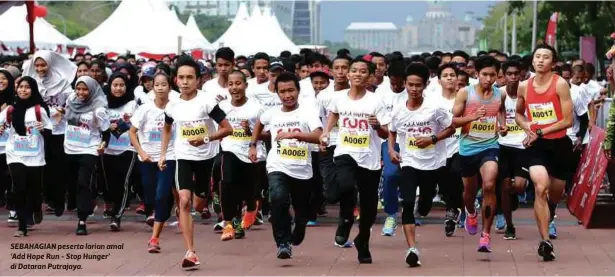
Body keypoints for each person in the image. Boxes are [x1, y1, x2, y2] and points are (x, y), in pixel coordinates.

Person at [160, 56, 232, 270]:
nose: (185, 82)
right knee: (183, 201)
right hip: (182, 156)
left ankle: (205, 198)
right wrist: (164, 153)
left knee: (199, 204)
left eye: (190, 77)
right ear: (175, 80)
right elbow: (166, 127)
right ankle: (190, 251)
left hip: (206, 158)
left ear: (198, 80)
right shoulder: (172, 105)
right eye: (181, 77)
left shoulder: (207, 102)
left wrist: (205, 138)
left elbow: (228, 129)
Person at [320, 58, 389, 264]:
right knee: (345, 185)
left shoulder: (376, 101)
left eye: (362, 72)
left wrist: (377, 127)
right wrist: (325, 133)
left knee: (368, 208)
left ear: (369, 77)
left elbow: (386, 133)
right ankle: (346, 219)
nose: (357, 74)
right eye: (354, 71)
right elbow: (333, 116)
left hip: (369, 158)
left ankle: (363, 241)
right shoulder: (339, 98)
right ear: (348, 75)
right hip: (345, 152)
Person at [248, 72, 322, 259]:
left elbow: (318, 135)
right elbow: (259, 123)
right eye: (283, 92)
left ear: (298, 90)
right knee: (278, 199)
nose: (287, 95)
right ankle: (282, 242)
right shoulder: (271, 113)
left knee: (301, 209)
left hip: (302, 169)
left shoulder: (307, 112)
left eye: (291, 90)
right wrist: (253, 144)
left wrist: (294, 135)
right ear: (277, 93)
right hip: (277, 165)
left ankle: (300, 224)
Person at [388, 63, 455, 266]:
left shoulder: (434, 108)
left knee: (424, 205)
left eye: (418, 85)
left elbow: (451, 128)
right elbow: (392, 131)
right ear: (405, 84)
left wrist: (432, 139)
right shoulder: (399, 109)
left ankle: (425, 203)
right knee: (407, 203)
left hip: (432, 164)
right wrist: (392, 150)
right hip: (408, 162)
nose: (414, 89)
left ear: (425, 85)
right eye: (410, 85)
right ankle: (412, 248)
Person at [515, 44, 573, 261]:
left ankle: (551, 211)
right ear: (532, 61)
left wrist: (540, 130)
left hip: (559, 145)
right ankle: (545, 241)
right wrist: (527, 127)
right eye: (537, 56)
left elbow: (567, 120)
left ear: (553, 62)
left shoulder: (560, 84)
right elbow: (519, 113)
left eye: (545, 57)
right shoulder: (524, 86)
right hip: (537, 146)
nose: (540, 60)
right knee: (541, 187)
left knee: (556, 192)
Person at [452, 55, 507, 253]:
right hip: (468, 148)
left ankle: (486, 235)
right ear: (477, 74)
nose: (488, 79)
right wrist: (472, 117)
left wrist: (502, 125)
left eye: (493, 75)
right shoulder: (465, 93)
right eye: (484, 74)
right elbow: (454, 121)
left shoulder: (499, 94)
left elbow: (500, 111)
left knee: (490, 184)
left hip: (490, 146)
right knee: (469, 192)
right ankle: (470, 211)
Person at [23, 50, 77, 217]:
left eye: (43, 64)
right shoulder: (33, 83)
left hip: (60, 130)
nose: (40, 68)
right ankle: (48, 200)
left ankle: (59, 200)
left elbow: (73, 103)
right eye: (37, 65)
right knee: (42, 166)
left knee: (58, 167)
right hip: (39, 130)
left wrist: (63, 109)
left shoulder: (63, 83)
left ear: (50, 64)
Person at [129, 72, 177, 253]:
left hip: (168, 156)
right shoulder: (145, 109)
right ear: (153, 88)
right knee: (149, 195)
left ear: (169, 88)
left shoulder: (175, 108)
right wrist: (141, 151)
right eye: (157, 85)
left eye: (164, 85)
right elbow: (132, 132)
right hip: (147, 158)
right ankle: (162, 210)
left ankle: (154, 238)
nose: (160, 88)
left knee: (161, 195)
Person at [0, 76, 53, 237]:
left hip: (35, 155)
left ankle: (36, 207)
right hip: (14, 153)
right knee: (19, 187)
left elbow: (50, 131)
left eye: (27, 87)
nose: (23, 90)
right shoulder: (10, 110)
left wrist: (43, 128)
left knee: (34, 189)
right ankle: (22, 225)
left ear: (33, 90)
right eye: (21, 87)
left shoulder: (39, 110)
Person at [218, 71, 266, 240]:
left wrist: (251, 132)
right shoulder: (222, 107)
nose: (234, 88)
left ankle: (251, 208)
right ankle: (229, 223)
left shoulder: (257, 108)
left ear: (246, 85)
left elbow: (268, 134)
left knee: (248, 192)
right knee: (228, 184)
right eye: (231, 84)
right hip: (229, 150)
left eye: (238, 83)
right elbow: (219, 130)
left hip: (252, 154)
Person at [63, 76, 110, 235]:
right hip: (70, 147)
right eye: (78, 89)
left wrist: (104, 143)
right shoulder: (70, 100)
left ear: (92, 90)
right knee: (73, 183)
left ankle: (81, 221)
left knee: (83, 182)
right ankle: (88, 203)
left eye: (85, 89)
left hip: (89, 148)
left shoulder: (98, 107)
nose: (81, 93)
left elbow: (106, 130)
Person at [425, 63, 464, 236]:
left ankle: (452, 211)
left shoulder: (464, 98)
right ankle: (455, 206)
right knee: (443, 182)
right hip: (438, 146)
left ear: (457, 79)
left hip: (459, 145)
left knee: (455, 174)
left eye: (452, 75)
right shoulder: (431, 99)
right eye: (445, 75)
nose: (449, 78)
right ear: (439, 80)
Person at [495, 60, 530, 240]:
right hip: (503, 145)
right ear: (504, 75)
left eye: (517, 74)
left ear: (522, 75)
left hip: (523, 145)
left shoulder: (527, 93)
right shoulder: (499, 94)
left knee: (518, 185)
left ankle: (516, 195)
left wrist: (530, 133)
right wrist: (501, 126)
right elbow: (496, 112)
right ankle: (509, 225)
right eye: (510, 74)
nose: (514, 77)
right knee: (505, 186)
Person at [102, 72, 138, 231]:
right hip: (107, 149)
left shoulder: (132, 104)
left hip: (127, 149)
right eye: (115, 85)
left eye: (121, 85)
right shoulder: (102, 103)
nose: (118, 88)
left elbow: (134, 122)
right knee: (109, 184)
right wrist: (106, 127)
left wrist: (119, 126)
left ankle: (117, 215)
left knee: (123, 183)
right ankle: (111, 205)